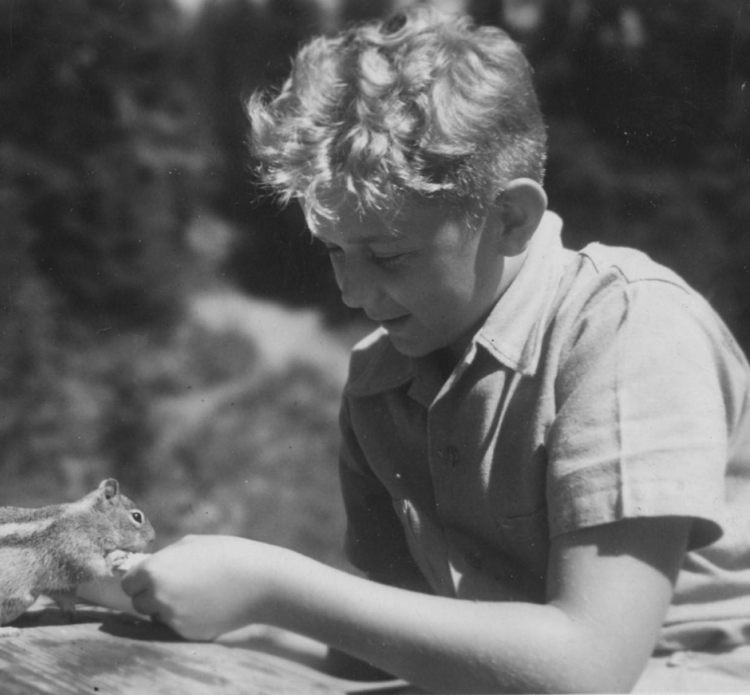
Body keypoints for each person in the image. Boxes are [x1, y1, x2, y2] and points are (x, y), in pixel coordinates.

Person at [120, 4, 750, 691]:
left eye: (386, 255)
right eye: (334, 249)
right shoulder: (379, 381)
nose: (352, 293)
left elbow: (588, 669)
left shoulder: (629, 328)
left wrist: (273, 584)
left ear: (510, 217)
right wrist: (224, 618)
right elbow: (399, 643)